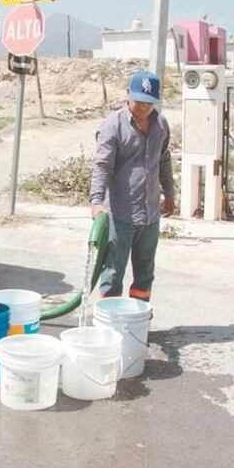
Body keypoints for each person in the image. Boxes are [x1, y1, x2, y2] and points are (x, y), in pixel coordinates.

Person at [89, 70, 176, 301]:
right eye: (138, 101)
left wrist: (169, 193)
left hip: (149, 215)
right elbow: (102, 167)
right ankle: (109, 327)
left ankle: (137, 323)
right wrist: (96, 202)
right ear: (128, 95)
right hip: (119, 215)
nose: (143, 107)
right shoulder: (112, 126)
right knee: (113, 272)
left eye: (149, 103)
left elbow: (164, 159)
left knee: (145, 272)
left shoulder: (161, 125)